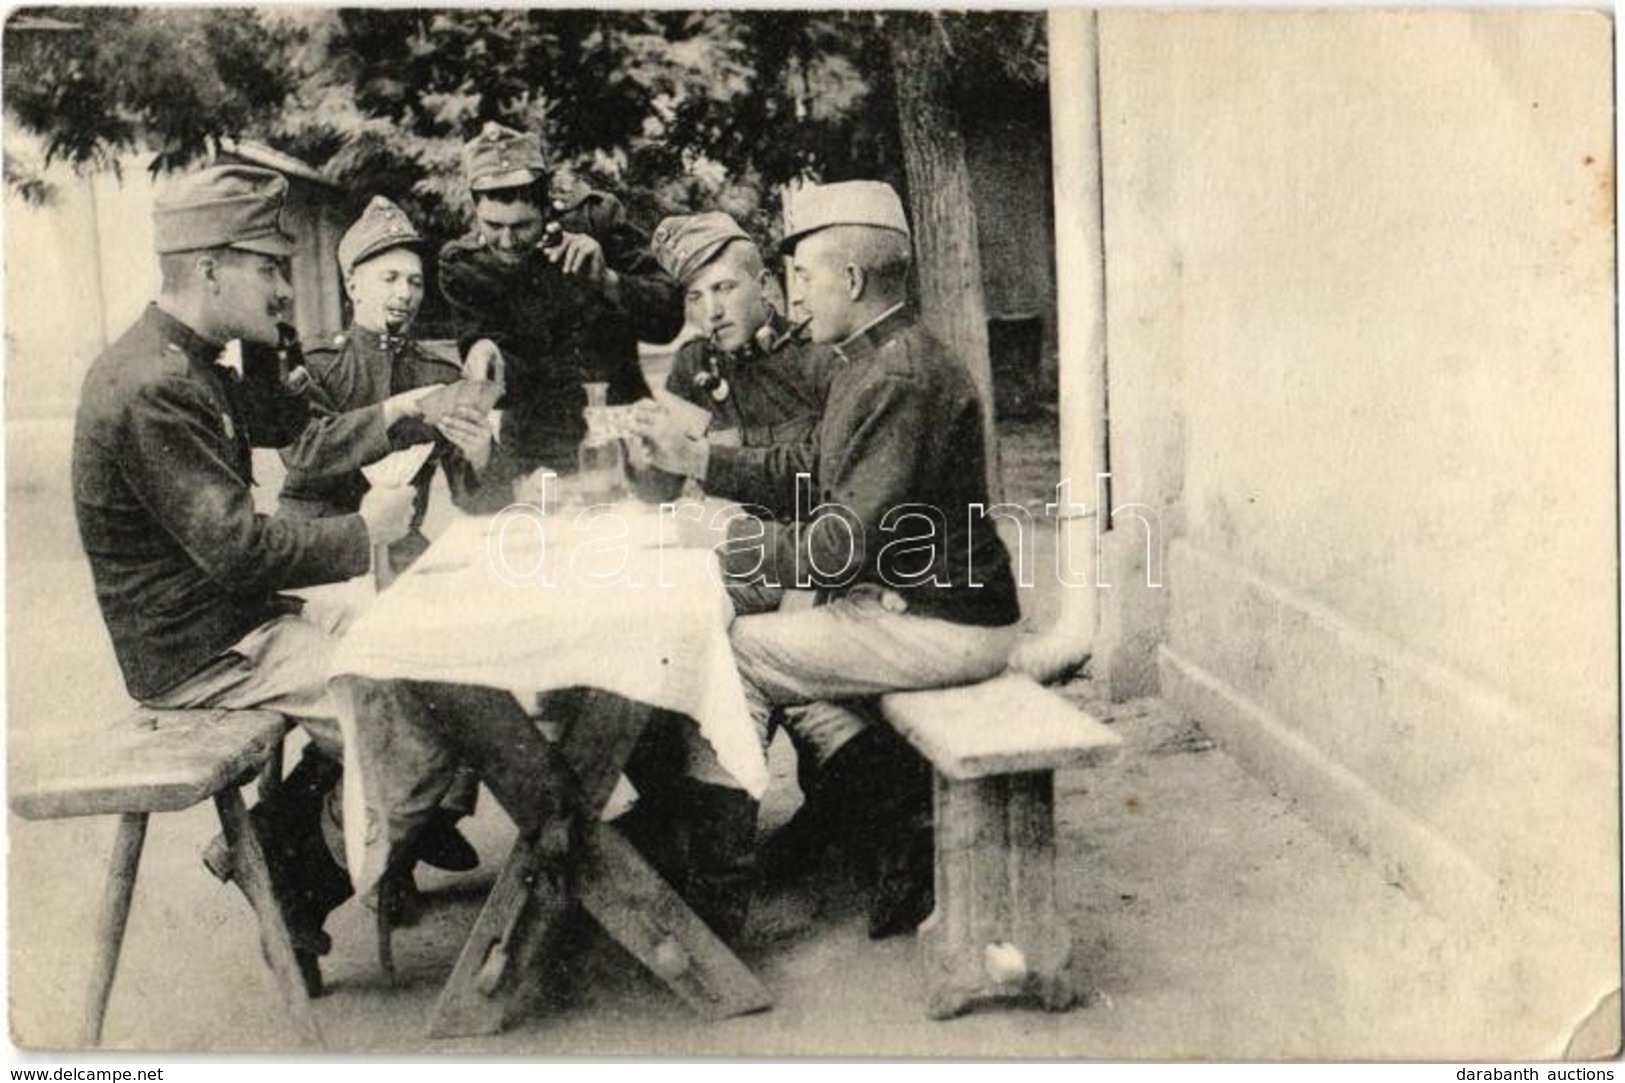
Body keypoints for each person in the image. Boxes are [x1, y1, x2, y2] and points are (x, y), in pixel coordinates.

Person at [633, 180, 1022, 939]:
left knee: (733, 653)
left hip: (938, 623)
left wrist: (720, 537)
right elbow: (810, 464)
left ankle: (713, 901)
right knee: (774, 648)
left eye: (803, 275)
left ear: (850, 279)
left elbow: (835, 549)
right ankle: (886, 831)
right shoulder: (873, 355)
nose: (794, 294)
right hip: (911, 606)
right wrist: (702, 460)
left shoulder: (895, 375)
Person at [71, 165, 422, 994]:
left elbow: (285, 425)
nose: (282, 288)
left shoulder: (188, 359)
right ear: (208, 269)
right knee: (419, 708)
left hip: (232, 623)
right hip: (202, 652)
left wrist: (396, 403)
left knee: (416, 658)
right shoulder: (152, 384)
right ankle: (287, 875)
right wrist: (364, 533)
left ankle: (271, 849)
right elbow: (237, 550)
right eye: (269, 269)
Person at [275, 195, 485, 888]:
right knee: (396, 666)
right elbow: (303, 457)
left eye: (415, 282)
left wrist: (480, 451)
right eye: (388, 278)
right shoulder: (320, 368)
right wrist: (395, 410)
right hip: (322, 553)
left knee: (472, 633)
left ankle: (433, 811)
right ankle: (401, 822)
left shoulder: (436, 372)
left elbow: (472, 488)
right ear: (353, 284)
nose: (404, 293)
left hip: (399, 553)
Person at [435, 122, 684, 510]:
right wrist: (483, 351)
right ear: (474, 209)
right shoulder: (463, 265)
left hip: (625, 436)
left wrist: (608, 280)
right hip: (535, 451)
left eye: (522, 226)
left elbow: (669, 319)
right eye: (493, 226)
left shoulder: (597, 221)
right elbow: (488, 363)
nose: (507, 240)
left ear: (545, 204)